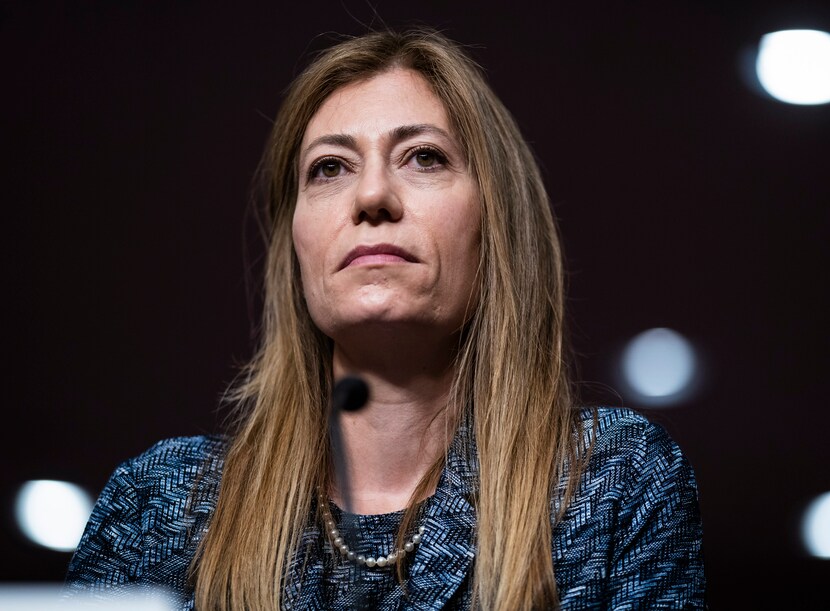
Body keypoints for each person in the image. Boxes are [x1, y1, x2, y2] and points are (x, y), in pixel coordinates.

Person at [65, 29, 706, 610]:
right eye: (330, 168)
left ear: (497, 224)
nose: (372, 196)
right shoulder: (159, 506)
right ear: (296, 244)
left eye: (424, 157)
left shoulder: (616, 483)